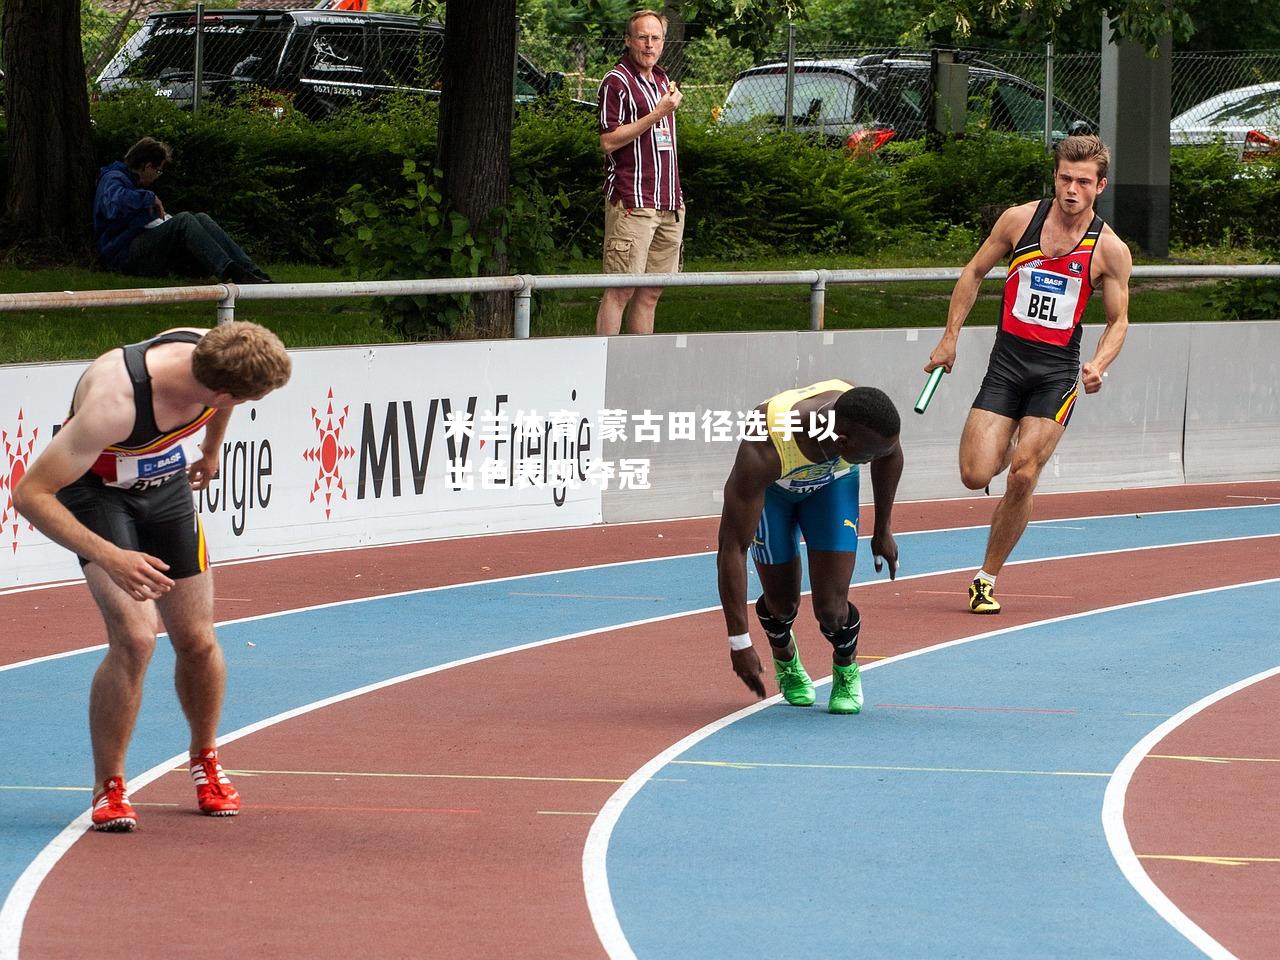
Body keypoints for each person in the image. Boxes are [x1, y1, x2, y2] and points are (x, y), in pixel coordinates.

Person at [13, 322, 292, 832]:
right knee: (137, 639)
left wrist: (210, 450)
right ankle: (110, 786)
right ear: (221, 389)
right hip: (97, 496)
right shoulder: (114, 402)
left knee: (197, 639)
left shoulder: (214, 349)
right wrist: (113, 558)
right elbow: (29, 495)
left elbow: (223, 400)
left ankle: (205, 758)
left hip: (164, 489)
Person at [924, 134, 1132, 615]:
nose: (1071, 189)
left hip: (1055, 374)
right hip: (1006, 365)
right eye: (1064, 178)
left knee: (1022, 477)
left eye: (1083, 181)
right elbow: (973, 273)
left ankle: (985, 577)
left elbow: (1119, 319)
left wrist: (1098, 364)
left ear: (1100, 186)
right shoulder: (1019, 221)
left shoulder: (1110, 250)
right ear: (1055, 177)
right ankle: (1013, 442)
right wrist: (949, 337)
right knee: (976, 475)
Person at [716, 381, 903, 714]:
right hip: (775, 493)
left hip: (831, 488)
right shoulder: (766, 442)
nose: (876, 458)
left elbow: (889, 454)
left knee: (832, 611)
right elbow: (732, 548)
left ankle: (845, 668)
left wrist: (883, 529)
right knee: (781, 604)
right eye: (869, 456)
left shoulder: (867, 420)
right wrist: (739, 642)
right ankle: (784, 654)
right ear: (841, 441)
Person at [595, 10, 685, 336]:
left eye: (656, 38)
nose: (649, 45)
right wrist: (657, 112)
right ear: (628, 40)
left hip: (668, 201)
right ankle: (604, 368)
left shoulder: (662, 80)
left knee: (651, 292)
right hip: (633, 199)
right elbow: (608, 141)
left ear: (663, 41)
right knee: (621, 289)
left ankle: (638, 369)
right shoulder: (616, 82)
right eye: (643, 37)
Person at [94, 137, 271, 285]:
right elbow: (114, 204)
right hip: (122, 254)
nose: (158, 176)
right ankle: (229, 270)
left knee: (201, 218)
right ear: (148, 167)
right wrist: (148, 198)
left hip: (138, 243)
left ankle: (253, 272)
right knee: (184, 220)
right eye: (159, 170)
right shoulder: (113, 178)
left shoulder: (133, 183)